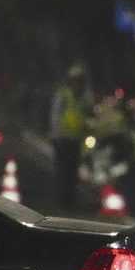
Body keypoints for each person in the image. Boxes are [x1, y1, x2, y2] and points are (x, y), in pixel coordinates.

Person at [49, 63, 92, 208]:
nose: (78, 83)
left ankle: (70, 199)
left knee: (72, 171)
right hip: (62, 138)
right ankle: (61, 199)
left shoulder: (84, 98)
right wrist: (56, 135)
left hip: (76, 139)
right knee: (62, 170)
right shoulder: (63, 96)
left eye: (80, 81)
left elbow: (86, 116)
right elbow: (55, 116)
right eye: (76, 80)